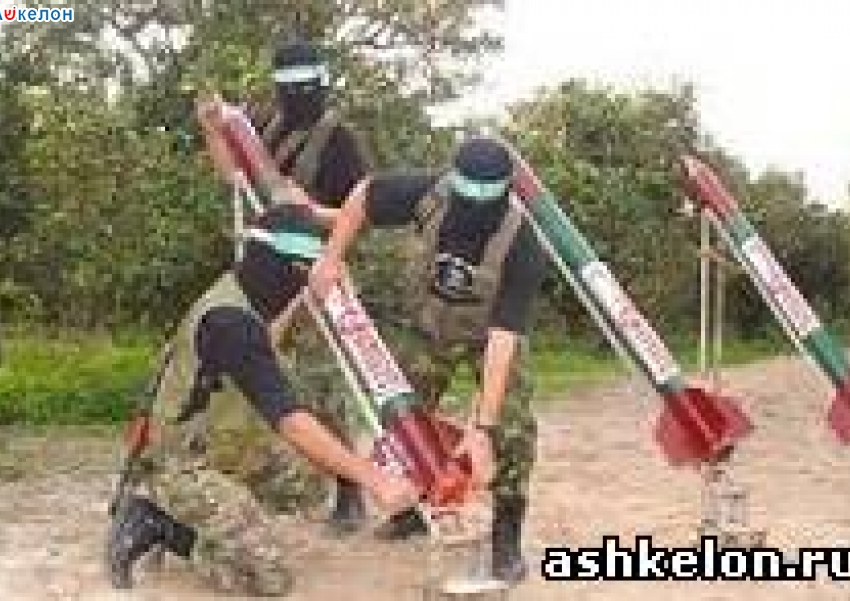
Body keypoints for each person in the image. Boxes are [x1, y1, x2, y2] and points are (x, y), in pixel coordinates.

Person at [104, 97, 417, 597]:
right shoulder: (230, 322)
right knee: (269, 576)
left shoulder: (241, 292)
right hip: (178, 460)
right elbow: (290, 420)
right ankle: (159, 522)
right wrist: (374, 478)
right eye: (300, 274)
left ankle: (218, 510)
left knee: (307, 483)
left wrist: (306, 297)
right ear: (285, 267)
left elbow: (265, 343)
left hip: (213, 441)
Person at [309, 136, 548, 584]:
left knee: (513, 427)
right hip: (427, 327)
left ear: (505, 192)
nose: (472, 206)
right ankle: (411, 511)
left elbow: (502, 340)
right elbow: (363, 195)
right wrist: (331, 257)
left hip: (486, 336)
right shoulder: (426, 193)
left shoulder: (523, 245)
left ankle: (506, 536)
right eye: (465, 193)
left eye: (485, 197)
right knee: (400, 417)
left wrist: (483, 428)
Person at [241, 33, 376, 534]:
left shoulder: (340, 141)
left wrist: (310, 210)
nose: (297, 95)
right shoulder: (267, 129)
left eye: (306, 84)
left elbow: (361, 213)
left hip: (319, 273)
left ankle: (349, 493)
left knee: (325, 384)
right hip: (263, 274)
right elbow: (239, 179)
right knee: (255, 374)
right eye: (288, 85)